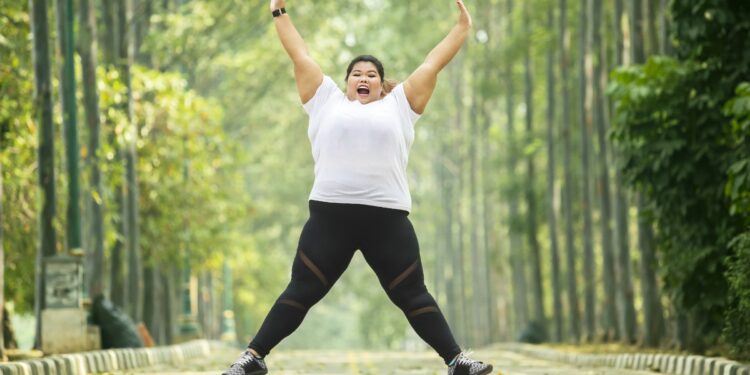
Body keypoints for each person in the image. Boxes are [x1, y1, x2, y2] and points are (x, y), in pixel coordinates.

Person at [222, 0, 493, 374]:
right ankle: (252, 358)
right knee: (301, 291)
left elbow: (432, 63)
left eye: (371, 75)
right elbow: (299, 53)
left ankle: (457, 360)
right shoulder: (324, 99)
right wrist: (278, 11)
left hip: (388, 219)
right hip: (330, 217)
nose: (363, 78)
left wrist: (461, 28)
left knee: (412, 294)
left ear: (382, 86)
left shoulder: (401, 105)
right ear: (346, 81)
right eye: (356, 74)